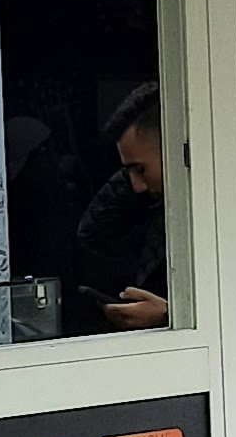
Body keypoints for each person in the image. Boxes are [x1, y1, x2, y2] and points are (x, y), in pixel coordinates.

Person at [70, 82, 168, 331]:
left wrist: (169, 317)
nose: (136, 186)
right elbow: (94, 235)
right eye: (127, 172)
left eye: (140, 169)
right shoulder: (156, 206)